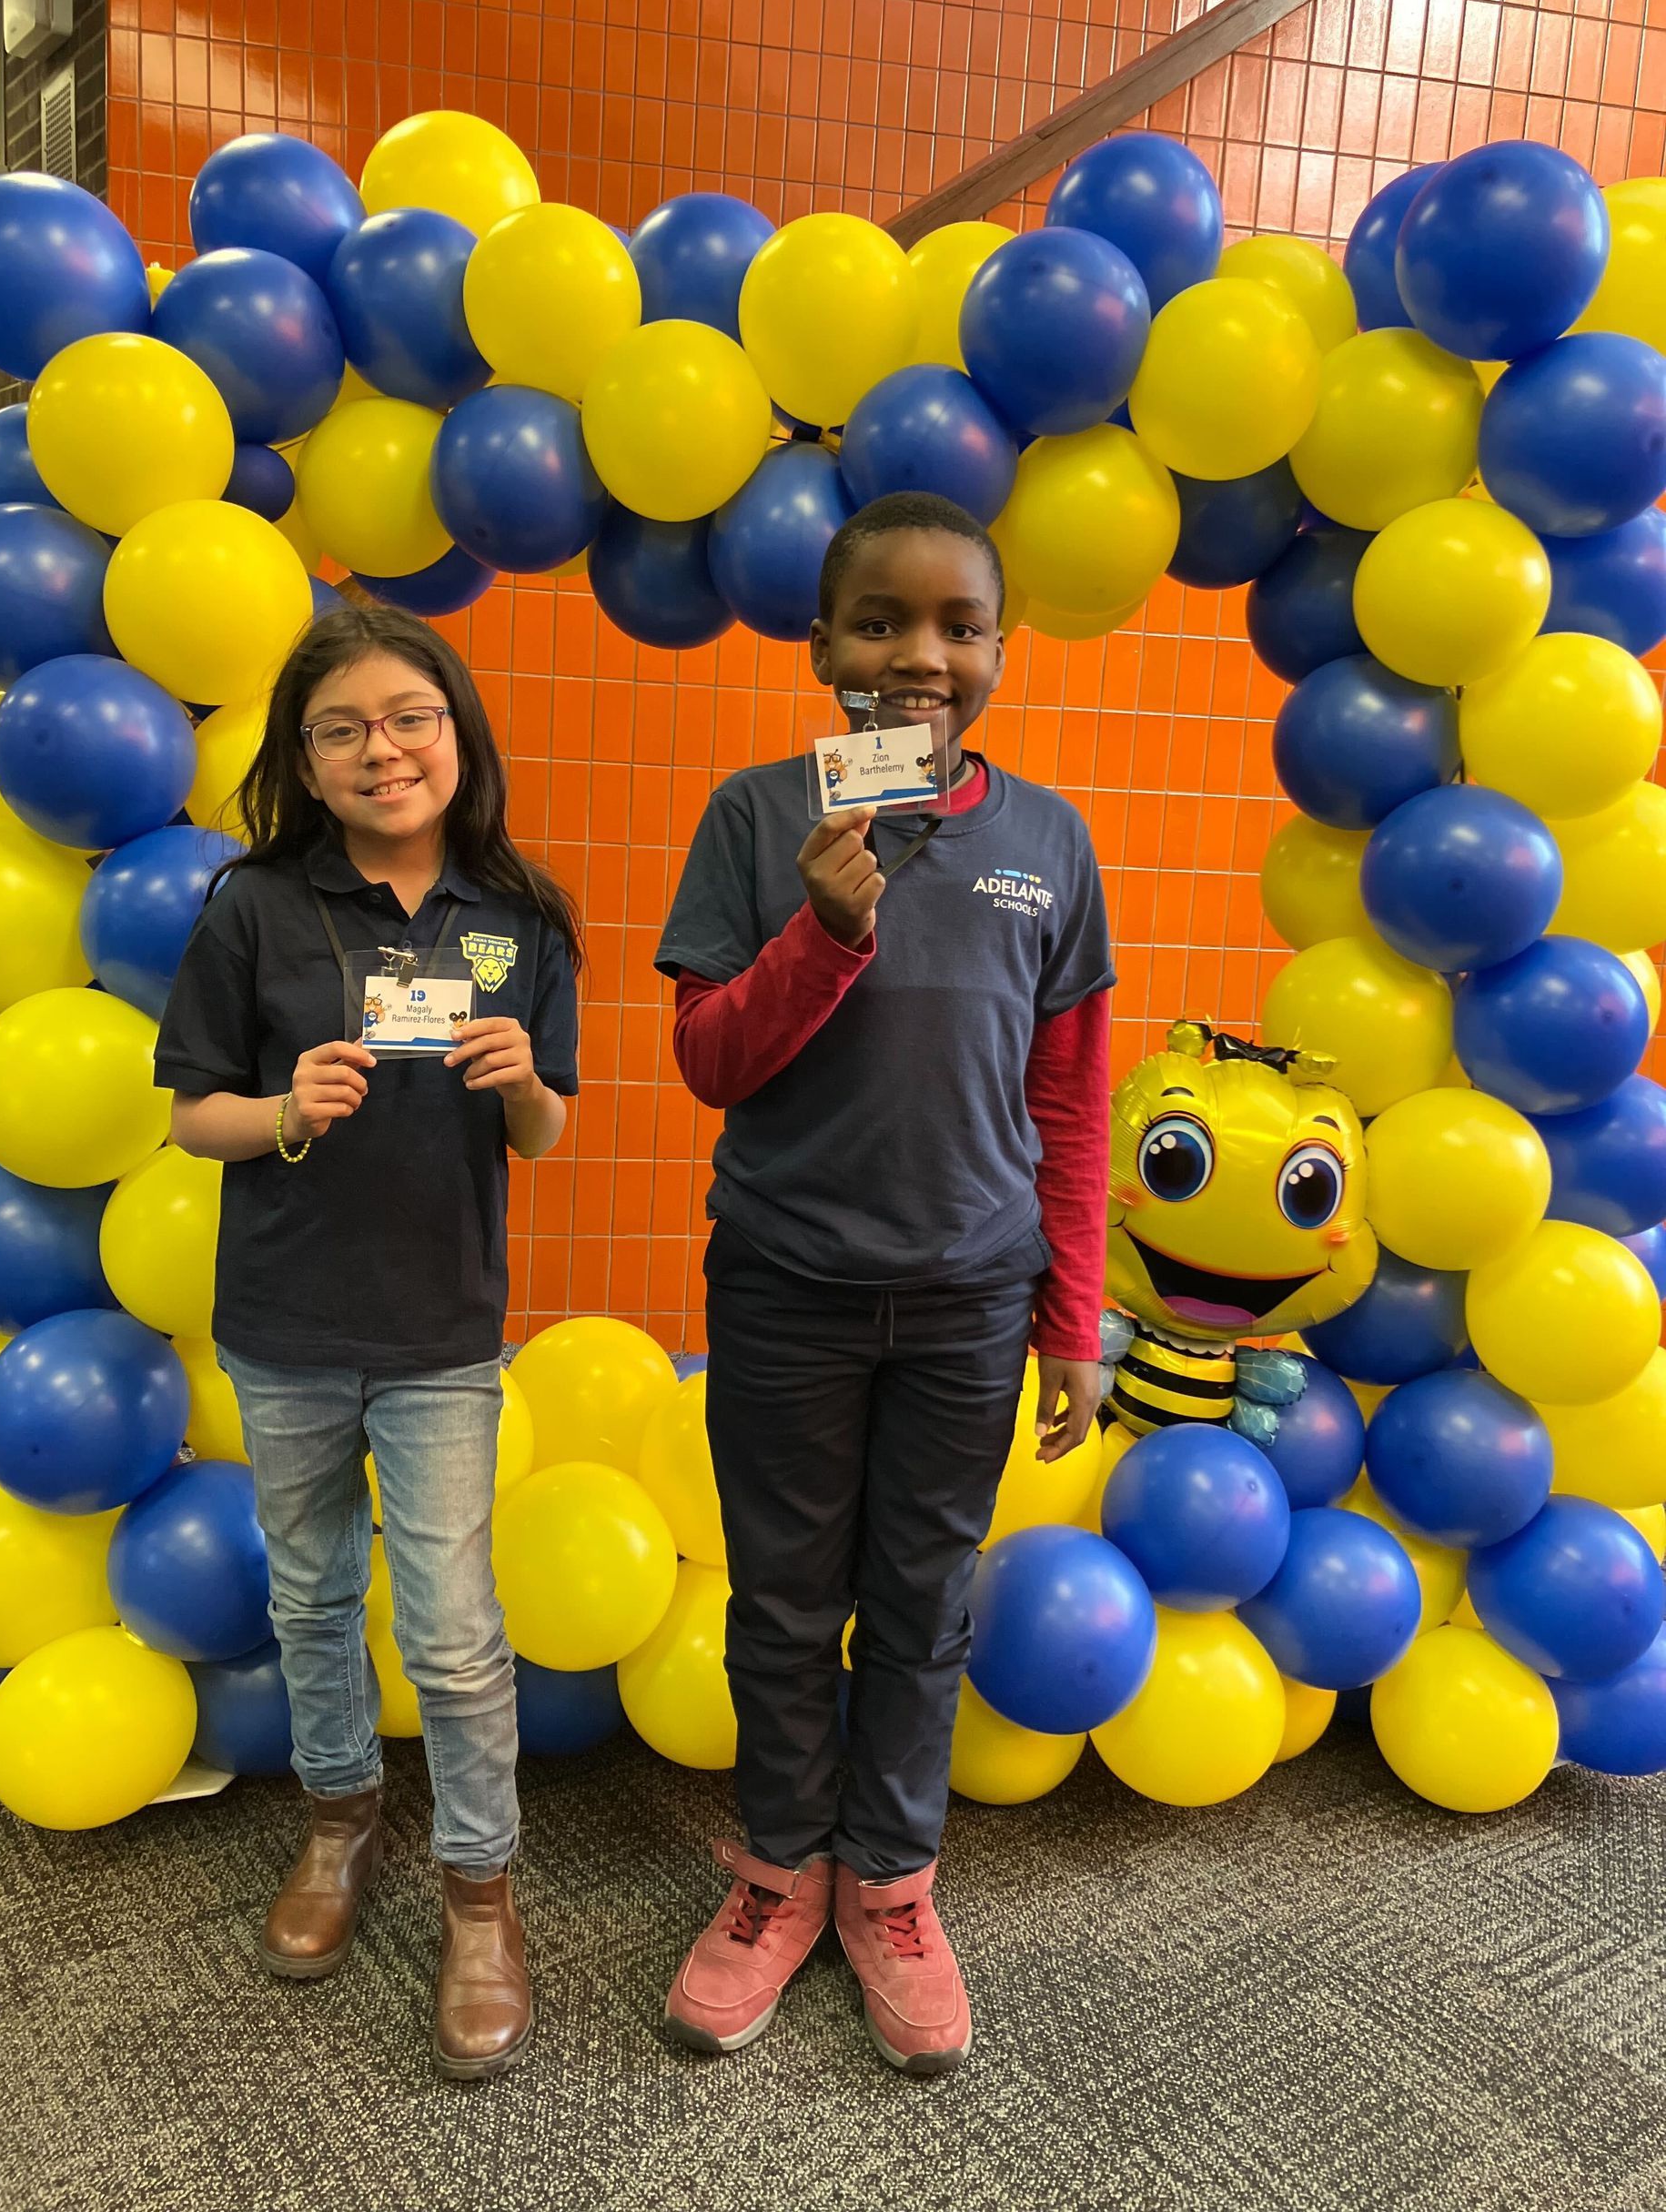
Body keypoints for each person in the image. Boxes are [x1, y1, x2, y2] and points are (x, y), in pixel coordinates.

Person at [654, 490, 1115, 2075]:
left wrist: (1072, 1314)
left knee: (925, 1608)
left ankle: (893, 1889)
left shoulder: (1047, 841)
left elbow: (1067, 1101)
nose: (920, 656)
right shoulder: (755, 815)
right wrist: (823, 932)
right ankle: (780, 1873)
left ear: (1000, 647)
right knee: (784, 1605)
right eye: (880, 623)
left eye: (958, 626)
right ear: (819, 647)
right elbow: (710, 1061)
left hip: (975, 1300)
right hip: (786, 1284)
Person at [157, 601, 580, 2082]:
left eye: (409, 717)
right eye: (341, 730)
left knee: (456, 1634)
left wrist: (526, 1079)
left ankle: (481, 1891)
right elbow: (192, 1109)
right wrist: (280, 1112)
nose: (380, 748)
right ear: (307, 763)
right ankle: (340, 1824)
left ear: (457, 734)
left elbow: (546, 1129)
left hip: (441, 1328)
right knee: (313, 1595)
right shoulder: (256, 908)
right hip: (284, 1321)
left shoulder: (522, 920)